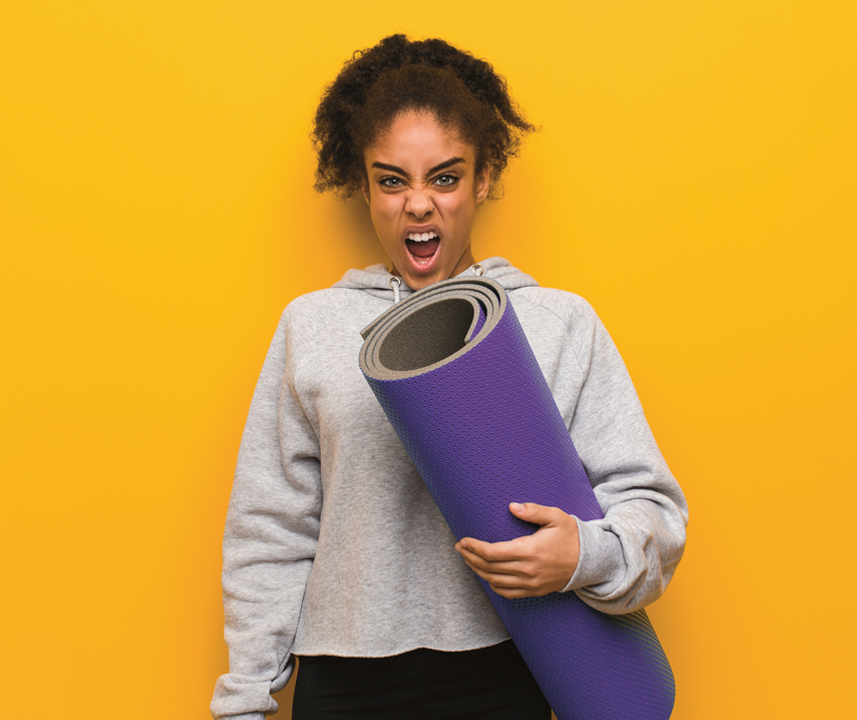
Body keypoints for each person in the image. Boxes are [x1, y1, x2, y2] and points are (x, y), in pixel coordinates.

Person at [210, 34, 689, 720]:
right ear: (363, 185)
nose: (418, 205)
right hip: (342, 683)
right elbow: (270, 530)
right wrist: (244, 699)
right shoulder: (311, 327)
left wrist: (580, 555)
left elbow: (655, 513)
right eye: (392, 180)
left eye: (445, 176)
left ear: (483, 178)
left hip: (508, 670)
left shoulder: (559, 323)